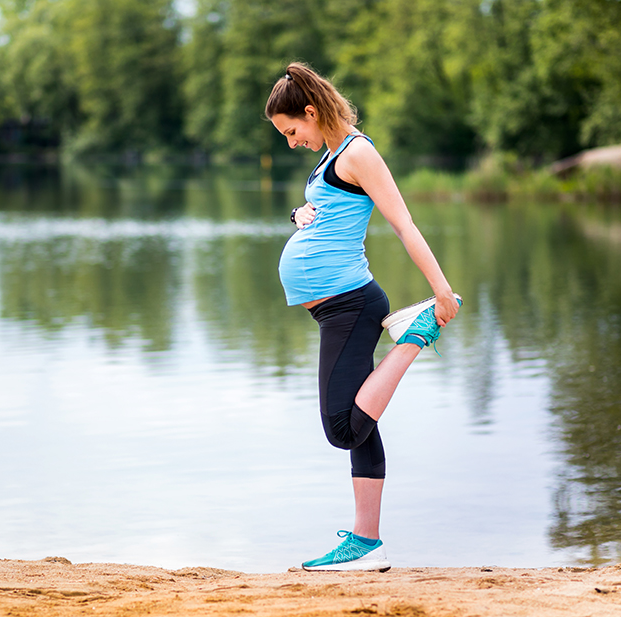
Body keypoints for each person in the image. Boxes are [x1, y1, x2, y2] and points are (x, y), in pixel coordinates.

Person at [265, 62, 461, 571]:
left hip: (350, 303)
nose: (291, 142)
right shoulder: (332, 154)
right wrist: (299, 214)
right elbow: (330, 211)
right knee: (362, 424)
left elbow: (404, 223)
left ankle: (415, 335)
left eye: (291, 131)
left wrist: (441, 292)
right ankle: (366, 543)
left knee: (342, 428)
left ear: (311, 112)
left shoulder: (358, 152)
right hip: (338, 305)